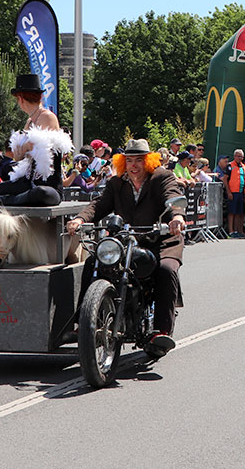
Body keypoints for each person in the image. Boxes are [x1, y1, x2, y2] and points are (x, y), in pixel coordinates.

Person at [66, 139, 186, 356]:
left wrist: (177, 216)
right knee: (94, 261)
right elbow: (99, 205)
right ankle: (83, 322)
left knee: (166, 270)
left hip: (161, 239)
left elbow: (173, 196)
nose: (133, 165)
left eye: (139, 160)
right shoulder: (117, 183)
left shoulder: (161, 177)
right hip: (128, 239)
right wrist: (80, 219)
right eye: (129, 160)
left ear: (148, 160)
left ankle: (162, 330)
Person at [0, 74, 71, 207]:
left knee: (41, 193)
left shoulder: (48, 117)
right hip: (26, 181)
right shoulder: (29, 122)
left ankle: (6, 200)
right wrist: (24, 149)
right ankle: (8, 199)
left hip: (48, 186)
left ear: (20, 99)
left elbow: (39, 147)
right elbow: (18, 156)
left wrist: (25, 148)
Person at [223, 149, 245, 237]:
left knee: (238, 212)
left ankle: (237, 230)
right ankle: (231, 231)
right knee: (231, 212)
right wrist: (229, 192)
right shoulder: (230, 165)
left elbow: (244, 180)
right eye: (237, 156)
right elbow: (225, 179)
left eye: (240, 156)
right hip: (233, 192)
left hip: (240, 192)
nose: (239, 158)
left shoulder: (243, 166)